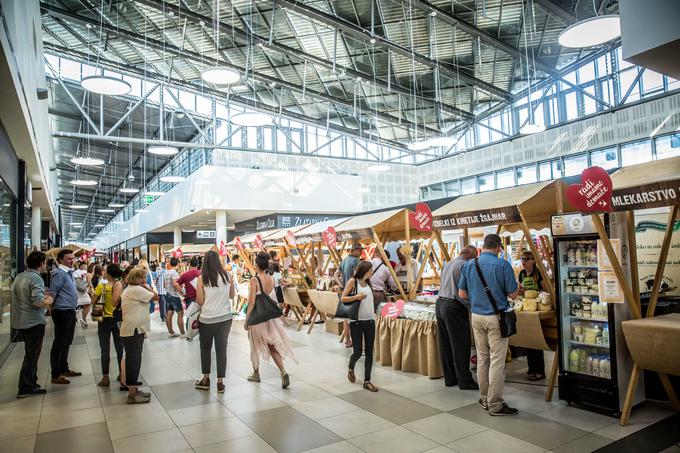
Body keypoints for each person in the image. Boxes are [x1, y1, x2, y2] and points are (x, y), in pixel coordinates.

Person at [459, 234, 519, 416]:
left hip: (476, 316)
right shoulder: (502, 265)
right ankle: (495, 404)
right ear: (499, 247)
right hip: (496, 318)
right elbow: (514, 294)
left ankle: (484, 398)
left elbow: (462, 294)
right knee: (497, 361)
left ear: (483, 247)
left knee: (482, 358)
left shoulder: (469, 264)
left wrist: (478, 298)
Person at [245, 252, 297, 387]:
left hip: (257, 318)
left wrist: (247, 320)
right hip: (269, 317)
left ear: (256, 264)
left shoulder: (254, 280)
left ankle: (256, 373)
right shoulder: (271, 279)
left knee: (254, 345)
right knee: (272, 346)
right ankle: (283, 371)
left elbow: (251, 302)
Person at [11, 251, 53, 398]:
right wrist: (48, 300)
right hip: (33, 322)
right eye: (45, 262)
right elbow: (37, 301)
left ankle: (32, 382)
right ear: (41, 264)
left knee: (30, 353)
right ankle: (26, 386)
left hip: (20, 321)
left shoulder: (20, 276)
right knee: (32, 355)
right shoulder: (36, 279)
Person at [436, 245, 479, 389]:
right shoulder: (464, 265)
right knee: (460, 344)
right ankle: (465, 380)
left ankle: (450, 378)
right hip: (454, 306)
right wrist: (473, 306)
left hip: (440, 303)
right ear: (470, 255)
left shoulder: (448, 264)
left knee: (446, 344)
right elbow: (462, 293)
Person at [195, 251, 235, 393]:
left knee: (205, 349)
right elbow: (232, 295)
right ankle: (220, 382)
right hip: (225, 318)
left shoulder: (202, 278)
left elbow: (200, 301)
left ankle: (206, 379)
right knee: (221, 349)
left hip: (207, 319)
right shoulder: (227, 275)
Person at [120, 267, 159, 404]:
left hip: (134, 329)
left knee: (134, 359)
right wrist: (147, 286)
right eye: (141, 278)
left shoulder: (131, 289)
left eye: (144, 278)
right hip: (133, 330)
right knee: (133, 361)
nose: (144, 280)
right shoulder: (135, 289)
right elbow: (156, 297)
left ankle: (134, 390)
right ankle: (132, 393)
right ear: (135, 278)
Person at [341, 261, 378, 392]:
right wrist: (357, 297)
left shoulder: (368, 283)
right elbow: (343, 298)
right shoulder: (353, 281)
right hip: (356, 321)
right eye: (370, 270)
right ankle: (351, 367)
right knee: (357, 351)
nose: (372, 272)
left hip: (370, 321)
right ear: (365, 270)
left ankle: (367, 380)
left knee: (369, 352)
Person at [48, 249, 82, 384]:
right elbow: (52, 293)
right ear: (61, 260)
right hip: (62, 312)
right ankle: (56, 374)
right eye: (69, 258)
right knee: (60, 343)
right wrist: (52, 309)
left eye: (73, 258)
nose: (72, 260)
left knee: (67, 341)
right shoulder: (59, 274)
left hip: (69, 311)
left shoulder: (69, 273)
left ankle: (64, 368)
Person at [91, 264, 124, 387]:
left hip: (104, 320)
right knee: (120, 348)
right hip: (117, 319)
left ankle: (105, 378)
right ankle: (122, 374)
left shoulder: (102, 285)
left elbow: (92, 301)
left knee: (105, 350)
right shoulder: (120, 285)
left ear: (108, 273)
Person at [518, 250, 547, 381]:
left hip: (537, 309)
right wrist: (520, 291)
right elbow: (519, 290)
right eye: (522, 259)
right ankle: (531, 368)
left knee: (537, 341)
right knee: (528, 340)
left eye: (526, 259)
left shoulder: (539, 273)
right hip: (526, 309)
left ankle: (539, 370)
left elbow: (545, 290)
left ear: (533, 261)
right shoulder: (521, 274)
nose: (523, 262)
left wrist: (533, 291)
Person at [339, 244, 363, 347]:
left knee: (346, 319)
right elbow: (357, 275)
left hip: (345, 290)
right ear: (354, 250)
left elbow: (336, 274)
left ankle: (347, 341)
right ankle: (357, 341)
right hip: (354, 291)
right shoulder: (356, 261)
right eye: (360, 250)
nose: (361, 252)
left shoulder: (344, 260)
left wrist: (341, 285)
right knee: (356, 319)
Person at [164, 258, 185, 338]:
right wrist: (182, 293)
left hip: (168, 295)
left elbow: (164, 285)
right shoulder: (174, 273)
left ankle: (171, 332)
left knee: (169, 314)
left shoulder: (166, 273)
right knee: (180, 314)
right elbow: (175, 284)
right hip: (174, 296)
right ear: (178, 264)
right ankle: (183, 333)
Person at [73, 261, 92, 328]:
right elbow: (74, 279)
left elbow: (89, 281)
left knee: (88, 303)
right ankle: (76, 317)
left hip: (84, 290)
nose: (84, 267)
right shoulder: (76, 272)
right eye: (83, 266)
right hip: (78, 290)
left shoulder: (86, 271)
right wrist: (81, 277)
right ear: (80, 266)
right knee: (75, 305)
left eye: (85, 266)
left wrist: (90, 287)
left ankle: (84, 318)